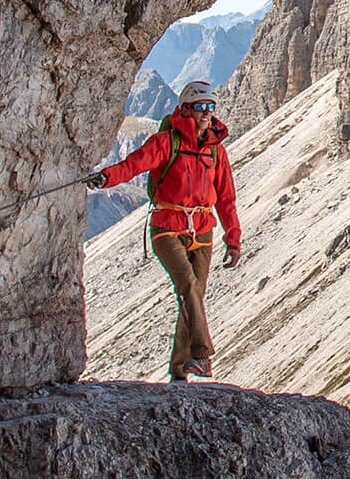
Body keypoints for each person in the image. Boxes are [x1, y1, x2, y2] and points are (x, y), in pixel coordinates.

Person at [88, 79, 240, 381]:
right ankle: (202, 355)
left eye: (211, 107)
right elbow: (134, 164)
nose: (207, 113)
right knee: (188, 286)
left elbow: (226, 197)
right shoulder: (166, 142)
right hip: (167, 227)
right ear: (185, 109)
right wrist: (106, 177)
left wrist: (233, 238)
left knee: (194, 296)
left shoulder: (215, 151)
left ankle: (180, 372)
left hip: (202, 229)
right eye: (200, 107)